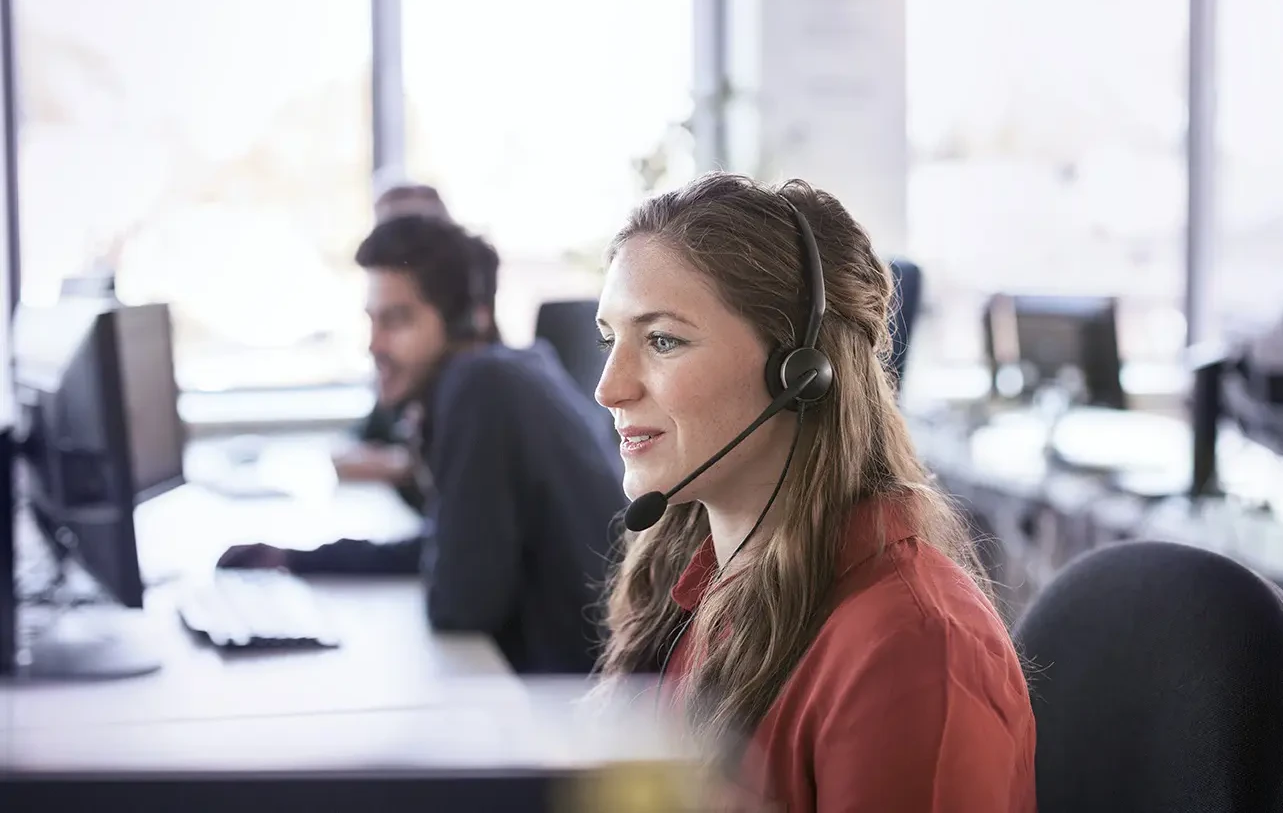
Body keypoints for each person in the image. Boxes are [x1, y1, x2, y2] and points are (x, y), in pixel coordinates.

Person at [592, 173, 1036, 810]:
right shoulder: (706, 588)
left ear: (800, 374)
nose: (609, 388)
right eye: (611, 340)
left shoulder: (912, 652)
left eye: (663, 340)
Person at [219, 214, 627, 675]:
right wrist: (293, 558)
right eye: (372, 321)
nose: (373, 344)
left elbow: (460, 604)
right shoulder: (507, 372)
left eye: (396, 320)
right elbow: (447, 544)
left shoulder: (479, 387)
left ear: (458, 323)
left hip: (571, 708)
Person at [330, 176, 471, 498]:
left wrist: (412, 464)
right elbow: (357, 439)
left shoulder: (476, 381)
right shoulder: (409, 375)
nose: (373, 345)